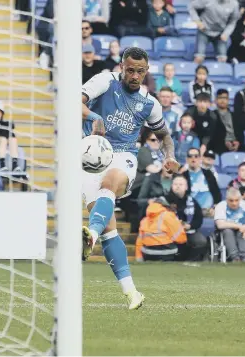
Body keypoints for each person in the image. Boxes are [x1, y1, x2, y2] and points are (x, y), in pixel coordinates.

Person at [81, 47, 180, 309]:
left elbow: (165, 136)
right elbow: (75, 101)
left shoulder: (150, 103)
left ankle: (89, 233)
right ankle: (132, 293)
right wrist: (94, 116)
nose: (134, 75)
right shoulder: (105, 81)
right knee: (110, 231)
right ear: (121, 67)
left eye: (140, 71)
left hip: (122, 156)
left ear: (146, 72)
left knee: (111, 183)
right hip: (90, 155)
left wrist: (169, 156)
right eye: (130, 70)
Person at [165, 175, 207, 261]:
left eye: (181, 184)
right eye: (175, 184)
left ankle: (191, 261)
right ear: (171, 186)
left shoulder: (193, 201)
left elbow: (199, 220)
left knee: (201, 241)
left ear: (186, 187)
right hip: (169, 232)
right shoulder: (165, 201)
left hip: (189, 230)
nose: (177, 186)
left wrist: (190, 226)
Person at [135, 197, 187, 262]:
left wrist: (139, 258)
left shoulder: (144, 220)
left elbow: (139, 242)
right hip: (167, 253)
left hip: (147, 253)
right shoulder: (168, 215)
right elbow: (180, 239)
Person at [214, 187, 245, 262]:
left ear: (240, 199)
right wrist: (239, 226)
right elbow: (220, 225)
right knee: (228, 231)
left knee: (244, 231)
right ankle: (234, 257)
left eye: (237, 200)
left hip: (243, 231)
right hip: (227, 231)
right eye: (231, 201)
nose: (234, 203)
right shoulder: (221, 206)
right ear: (226, 199)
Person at [181, 148, 221, 215]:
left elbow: (216, 193)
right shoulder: (183, 176)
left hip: (208, 210)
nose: (193, 158)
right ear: (187, 159)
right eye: (190, 156)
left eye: (196, 156)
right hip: (189, 210)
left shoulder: (209, 173)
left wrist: (215, 207)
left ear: (200, 159)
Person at [0, 100, 21, 172]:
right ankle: (2, 164)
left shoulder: (6, 124)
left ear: (2, 113)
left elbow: (11, 128)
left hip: (4, 137)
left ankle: (15, 164)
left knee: (13, 139)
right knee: (3, 139)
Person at [212, 88, 244, 154]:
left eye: (225, 98)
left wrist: (238, 142)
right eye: (220, 98)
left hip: (236, 145)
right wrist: (225, 143)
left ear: (228, 100)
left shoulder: (235, 116)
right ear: (216, 100)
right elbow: (212, 135)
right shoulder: (211, 115)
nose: (223, 100)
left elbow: (240, 132)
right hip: (219, 146)